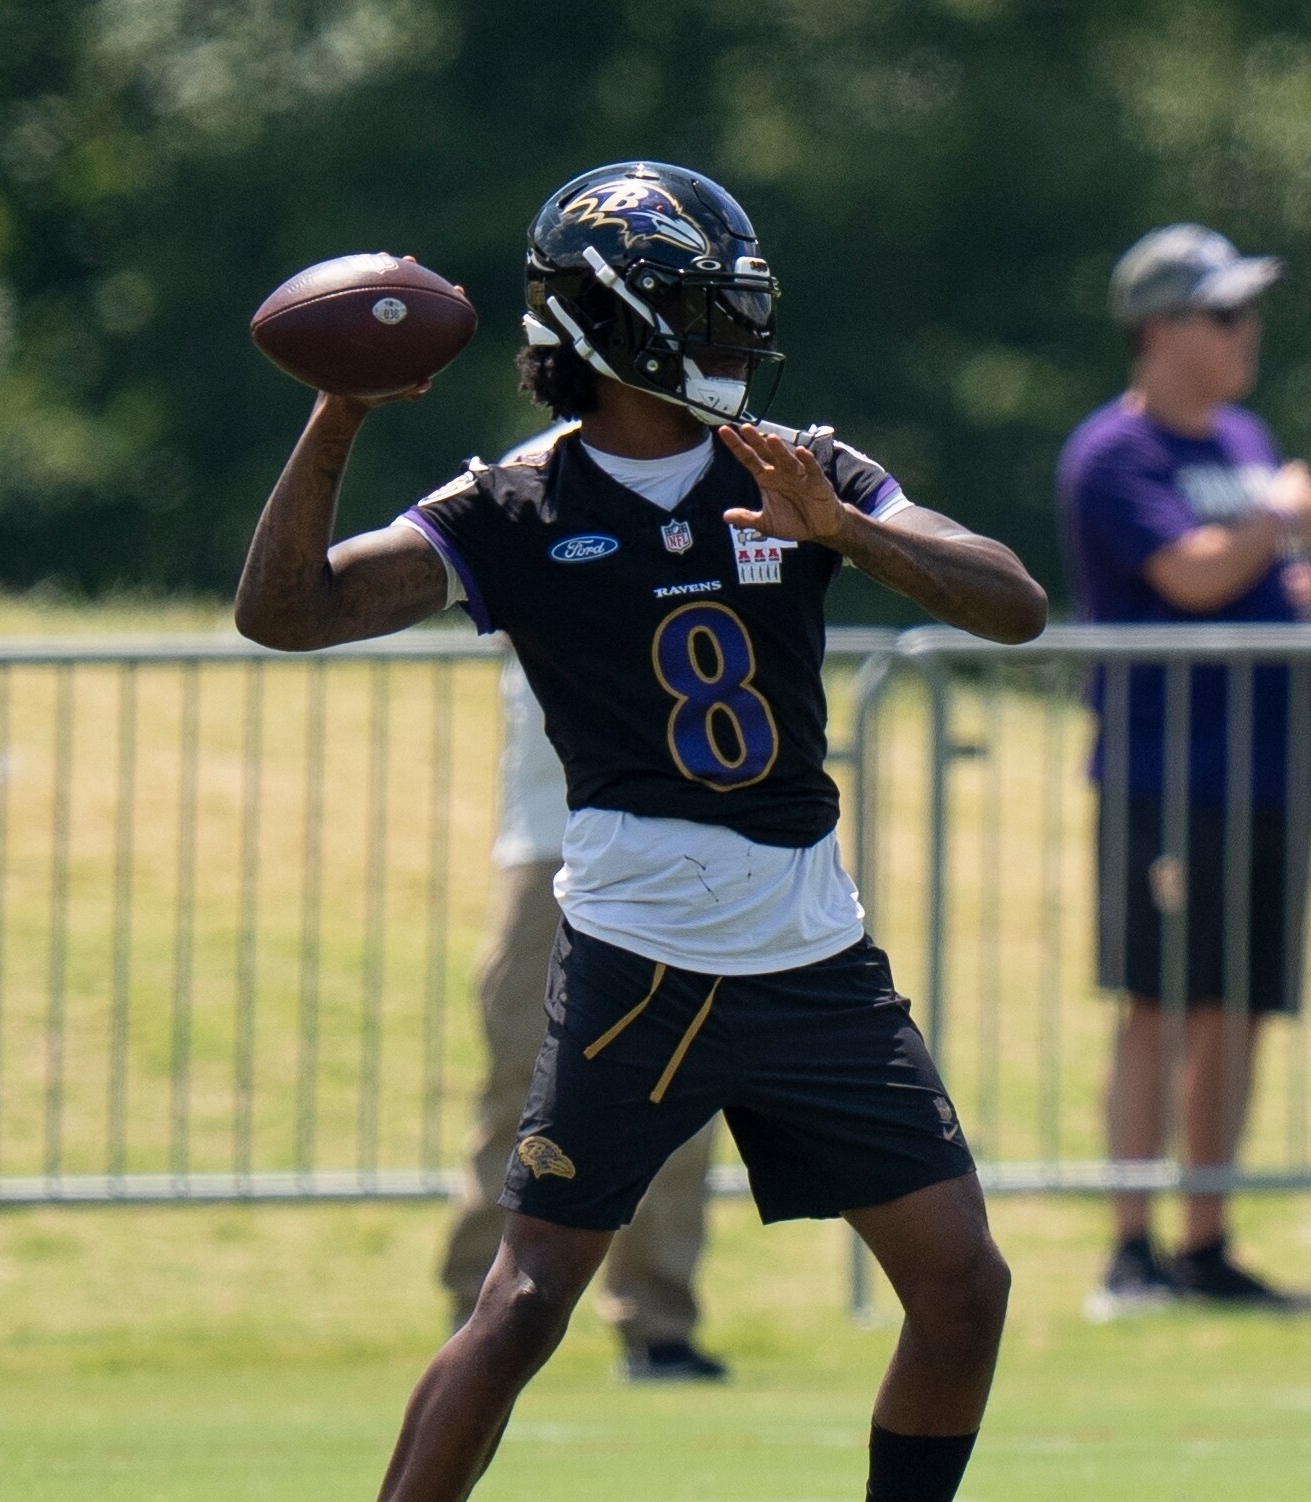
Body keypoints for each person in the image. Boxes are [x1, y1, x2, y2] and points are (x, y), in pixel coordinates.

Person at [236, 160, 1044, 1502]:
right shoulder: (515, 505)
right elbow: (286, 611)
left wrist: (847, 531)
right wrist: (339, 411)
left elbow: (1013, 604)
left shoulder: (802, 467)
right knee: (524, 1301)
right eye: (706, 308)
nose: (737, 336)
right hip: (640, 954)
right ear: (613, 323)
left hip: (808, 948)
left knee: (962, 1284)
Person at [1057, 223, 1311, 1317]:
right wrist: (1277, 519)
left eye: (1246, 312)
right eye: (1223, 313)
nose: (1246, 333)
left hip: (1267, 770)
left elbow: (1246, 579)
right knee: (1157, 1005)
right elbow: (1187, 576)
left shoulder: (1241, 438)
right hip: (1164, 773)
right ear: (1157, 329)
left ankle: (1205, 1244)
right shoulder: (1114, 452)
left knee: (1235, 1008)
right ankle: (1129, 1252)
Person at [442, 640, 725, 1383]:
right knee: (519, 1088)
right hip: (553, 841)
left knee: (680, 1089)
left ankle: (658, 1323)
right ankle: (475, 1317)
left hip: (679, 848)